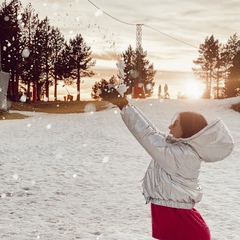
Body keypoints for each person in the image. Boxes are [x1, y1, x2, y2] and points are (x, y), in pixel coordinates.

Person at [100, 86, 234, 240]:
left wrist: (124, 105)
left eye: (175, 124)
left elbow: (147, 135)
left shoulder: (182, 155)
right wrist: (126, 106)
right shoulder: (180, 149)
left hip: (183, 225)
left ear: (187, 129)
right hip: (176, 218)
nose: (170, 126)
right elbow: (153, 132)